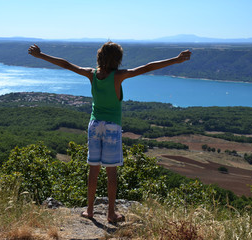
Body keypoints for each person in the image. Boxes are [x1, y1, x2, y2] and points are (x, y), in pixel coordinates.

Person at [28, 42, 191, 223]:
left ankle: (89, 210)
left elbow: (66, 64)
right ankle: (111, 214)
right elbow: (148, 67)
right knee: (111, 171)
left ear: (99, 57)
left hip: (94, 125)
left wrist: (41, 55)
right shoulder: (118, 76)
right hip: (112, 127)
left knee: (93, 169)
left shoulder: (92, 74)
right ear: (118, 59)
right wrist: (176, 60)